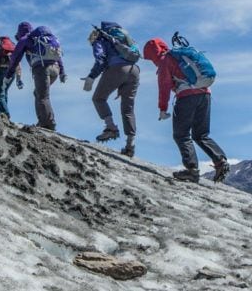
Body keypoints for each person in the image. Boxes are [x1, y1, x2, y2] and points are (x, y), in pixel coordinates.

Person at [143, 37, 230, 183]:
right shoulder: (180, 56)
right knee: (201, 134)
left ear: (153, 54)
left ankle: (192, 170)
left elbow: (164, 86)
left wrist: (163, 109)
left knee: (181, 134)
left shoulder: (165, 61)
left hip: (186, 97)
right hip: (205, 95)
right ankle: (220, 161)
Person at [82, 21, 139, 157]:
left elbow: (100, 60)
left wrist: (91, 77)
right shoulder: (124, 37)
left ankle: (111, 128)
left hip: (117, 69)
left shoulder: (100, 39)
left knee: (98, 98)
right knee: (128, 109)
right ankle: (130, 145)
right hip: (134, 70)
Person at [6, 22, 66, 130]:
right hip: (55, 69)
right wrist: (62, 72)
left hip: (42, 68)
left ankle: (48, 124)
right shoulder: (42, 38)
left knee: (43, 96)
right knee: (38, 93)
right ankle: (43, 121)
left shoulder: (25, 39)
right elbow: (57, 55)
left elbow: (15, 58)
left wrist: (8, 75)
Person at [0, 31, 22, 119]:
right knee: (4, 92)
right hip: (11, 71)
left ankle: (6, 116)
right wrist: (18, 77)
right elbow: (17, 60)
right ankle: (5, 116)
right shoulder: (8, 43)